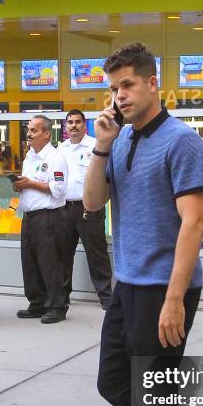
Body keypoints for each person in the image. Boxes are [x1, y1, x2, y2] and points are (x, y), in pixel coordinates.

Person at [84, 43, 203, 406]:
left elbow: (194, 222)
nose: (119, 95)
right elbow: (93, 203)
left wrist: (172, 300)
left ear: (152, 85)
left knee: (157, 400)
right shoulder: (119, 142)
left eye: (127, 85)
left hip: (166, 291)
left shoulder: (181, 141)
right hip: (128, 286)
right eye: (113, 87)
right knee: (112, 382)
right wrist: (101, 146)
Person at [14, 115, 68, 324]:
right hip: (29, 217)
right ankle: (37, 303)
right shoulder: (29, 156)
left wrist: (30, 183)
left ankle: (57, 306)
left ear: (46, 134)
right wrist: (20, 184)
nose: (29, 134)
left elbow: (58, 189)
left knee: (50, 263)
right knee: (30, 263)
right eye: (28, 129)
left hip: (48, 218)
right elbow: (30, 184)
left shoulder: (55, 158)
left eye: (34, 130)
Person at [58, 109, 112, 309]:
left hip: (89, 208)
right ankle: (62, 297)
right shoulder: (60, 149)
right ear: (66, 126)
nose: (73, 126)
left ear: (84, 124)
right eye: (70, 122)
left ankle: (106, 297)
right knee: (63, 255)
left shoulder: (95, 146)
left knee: (97, 254)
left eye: (77, 122)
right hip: (64, 208)